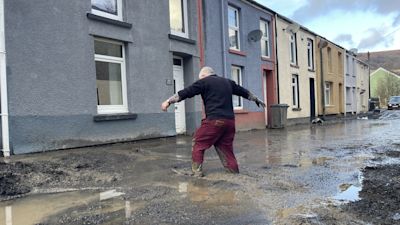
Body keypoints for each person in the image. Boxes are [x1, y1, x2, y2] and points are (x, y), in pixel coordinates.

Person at [161, 66, 265, 177]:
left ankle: (196, 173)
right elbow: (243, 92)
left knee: (198, 142)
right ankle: (234, 173)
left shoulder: (204, 82)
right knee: (225, 148)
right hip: (230, 122)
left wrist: (168, 101)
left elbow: (186, 92)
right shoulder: (228, 82)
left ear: (204, 76)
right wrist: (256, 99)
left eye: (200, 78)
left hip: (214, 121)